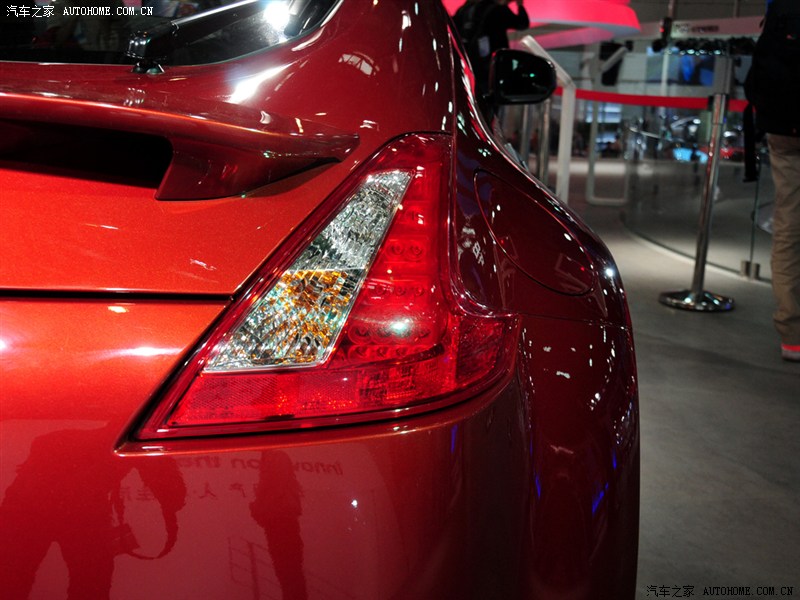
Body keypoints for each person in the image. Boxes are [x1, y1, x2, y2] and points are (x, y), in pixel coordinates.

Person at [745, 0, 800, 362]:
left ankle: (792, 335)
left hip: (782, 133)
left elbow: (756, 80)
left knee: (788, 229)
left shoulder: (781, 8)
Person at [455, 0, 529, 99]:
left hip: (467, 64)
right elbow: (522, 23)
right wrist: (520, 5)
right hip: (491, 68)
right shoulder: (497, 9)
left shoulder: (465, 10)